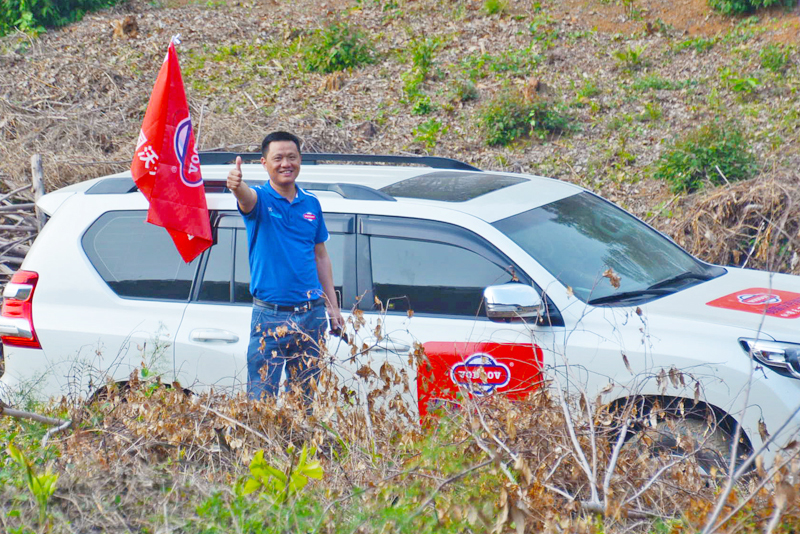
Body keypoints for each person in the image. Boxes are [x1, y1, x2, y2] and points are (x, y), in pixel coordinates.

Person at [226, 131, 345, 401]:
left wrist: (332, 305)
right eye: (277, 158)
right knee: (261, 403)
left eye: (291, 157)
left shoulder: (311, 203)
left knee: (305, 403)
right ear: (263, 163)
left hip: (311, 316)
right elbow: (245, 198)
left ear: (300, 160)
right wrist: (235, 185)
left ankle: (298, 443)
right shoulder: (260, 199)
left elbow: (320, 256)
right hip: (270, 316)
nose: (285, 164)